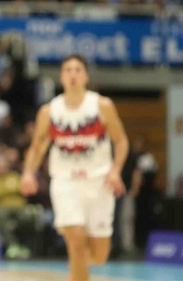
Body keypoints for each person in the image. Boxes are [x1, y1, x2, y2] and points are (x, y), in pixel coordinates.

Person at [21, 54, 129, 281]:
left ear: (85, 76)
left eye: (77, 70)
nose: (72, 74)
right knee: (76, 241)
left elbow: (121, 141)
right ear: (61, 76)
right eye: (68, 70)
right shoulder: (49, 111)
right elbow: (37, 148)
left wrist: (115, 170)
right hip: (65, 181)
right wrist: (27, 173)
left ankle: (77, 271)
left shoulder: (102, 106)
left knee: (99, 255)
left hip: (99, 182)